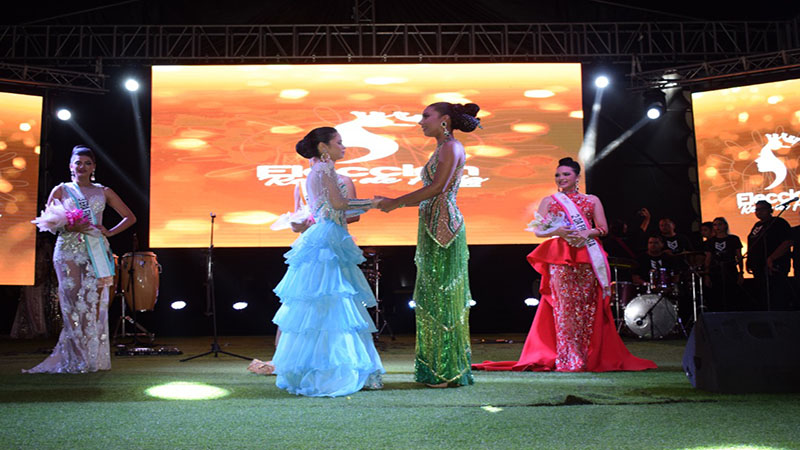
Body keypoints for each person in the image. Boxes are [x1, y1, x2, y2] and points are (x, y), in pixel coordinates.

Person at [473, 157, 655, 372]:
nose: (561, 178)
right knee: (564, 308)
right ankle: (569, 357)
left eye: (566, 174)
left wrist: (588, 232)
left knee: (587, 307)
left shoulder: (591, 200)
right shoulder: (549, 201)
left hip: (587, 256)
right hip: (560, 257)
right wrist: (557, 230)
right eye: (558, 175)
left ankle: (588, 354)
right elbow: (538, 230)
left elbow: (603, 229)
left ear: (577, 177)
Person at [269, 127, 384, 397]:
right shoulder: (323, 170)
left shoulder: (321, 171)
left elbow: (336, 206)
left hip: (328, 235)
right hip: (329, 238)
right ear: (324, 147)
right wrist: (375, 203)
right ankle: (331, 370)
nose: (343, 147)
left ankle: (323, 366)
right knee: (334, 301)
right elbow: (339, 204)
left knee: (327, 302)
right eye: (338, 142)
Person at [377, 102, 478, 387]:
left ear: (444, 119)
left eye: (425, 116)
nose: (421, 122)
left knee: (442, 297)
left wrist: (396, 202)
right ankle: (440, 368)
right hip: (434, 225)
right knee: (433, 297)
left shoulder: (450, 147)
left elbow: (437, 189)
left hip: (444, 229)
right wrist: (394, 203)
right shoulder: (443, 147)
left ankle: (446, 371)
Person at [25, 145, 136, 373]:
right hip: (67, 249)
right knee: (72, 301)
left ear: (94, 167)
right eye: (78, 163)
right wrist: (68, 226)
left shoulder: (104, 191)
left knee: (91, 302)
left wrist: (109, 232)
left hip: (95, 249)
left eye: (87, 163)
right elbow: (47, 222)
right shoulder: (61, 190)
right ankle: (76, 357)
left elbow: (130, 217)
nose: (82, 167)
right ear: (70, 166)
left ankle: (91, 356)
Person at [746, 200, 793, 310]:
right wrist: (749, 260)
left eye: (762, 209)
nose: (759, 212)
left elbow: (787, 242)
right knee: (762, 294)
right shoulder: (757, 225)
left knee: (776, 294)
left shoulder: (779, 222)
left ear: (770, 210)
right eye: (757, 209)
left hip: (775, 265)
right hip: (759, 266)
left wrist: (772, 258)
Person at [703, 217, 744, 311]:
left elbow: (739, 256)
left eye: (720, 224)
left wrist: (741, 272)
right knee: (717, 295)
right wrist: (706, 275)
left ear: (725, 225)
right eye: (715, 225)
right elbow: (708, 259)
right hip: (715, 271)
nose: (717, 227)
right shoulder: (710, 242)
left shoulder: (733, 239)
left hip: (730, 269)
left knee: (732, 294)